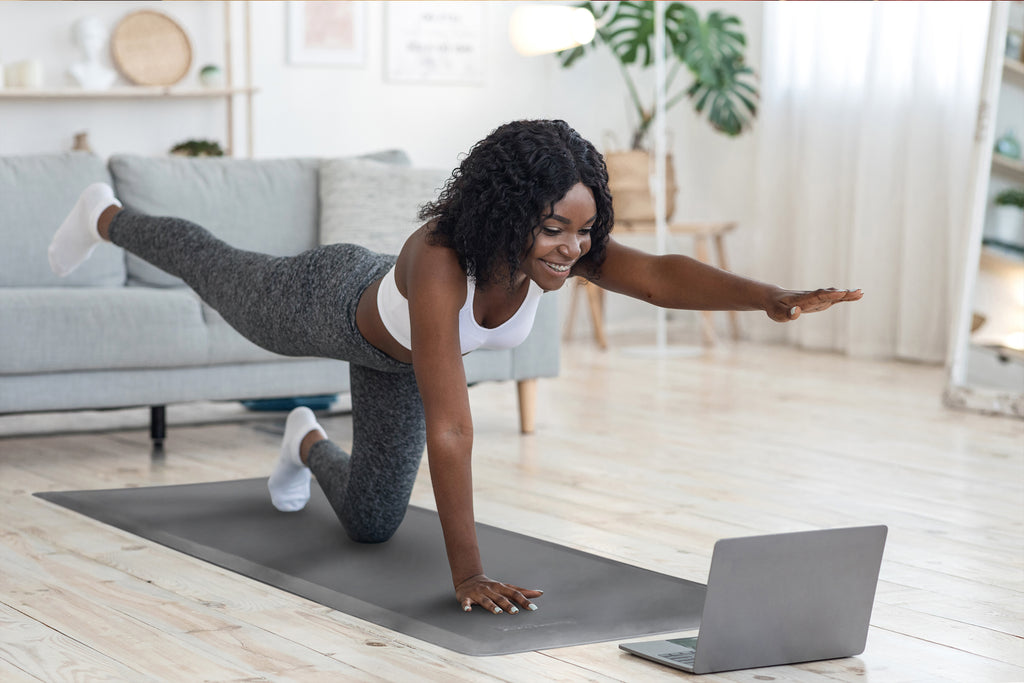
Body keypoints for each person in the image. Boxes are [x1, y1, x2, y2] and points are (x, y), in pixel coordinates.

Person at [48, 120, 862, 617]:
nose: (572, 249)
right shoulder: (442, 259)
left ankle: (301, 438)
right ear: (511, 214)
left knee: (370, 521)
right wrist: (466, 570)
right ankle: (107, 214)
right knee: (224, 277)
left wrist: (769, 297)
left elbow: (657, 275)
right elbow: (452, 424)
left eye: (584, 231)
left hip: (400, 360)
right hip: (330, 299)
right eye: (554, 229)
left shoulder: (564, 249)